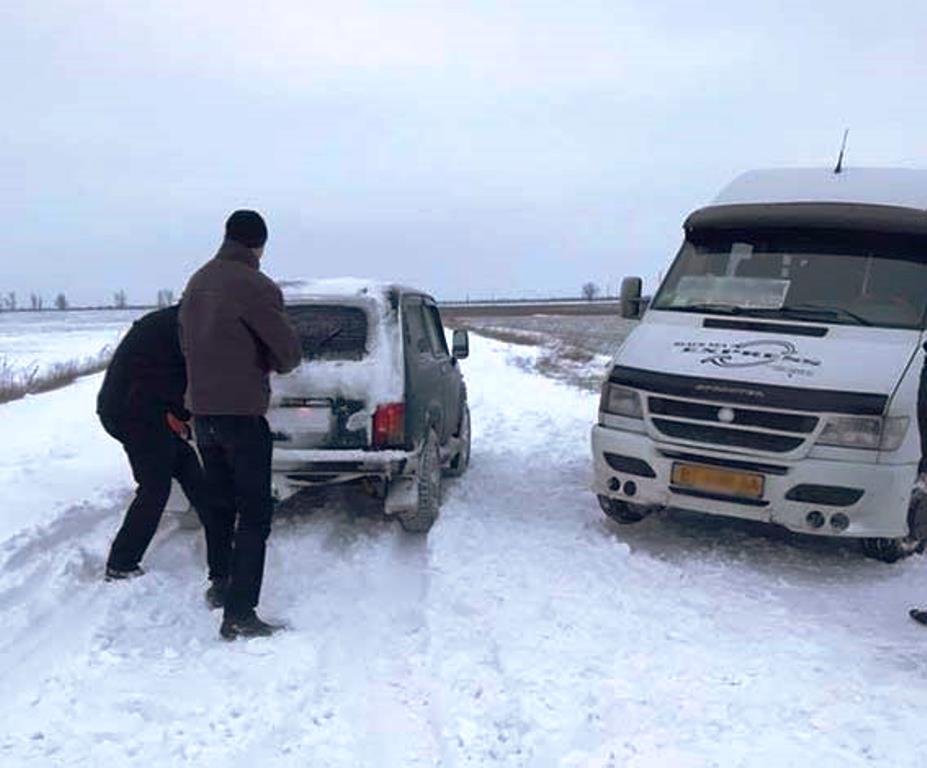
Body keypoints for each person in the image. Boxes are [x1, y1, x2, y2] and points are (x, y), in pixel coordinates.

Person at [180, 210, 301, 640]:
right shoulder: (255, 285)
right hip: (241, 416)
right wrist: (265, 360)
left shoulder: (196, 282)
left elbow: (187, 344)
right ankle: (240, 614)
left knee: (221, 506)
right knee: (254, 516)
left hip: (204, 415)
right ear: (259, 245)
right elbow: (286, 353)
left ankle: (220, 584)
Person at [97, 303, 224, 588]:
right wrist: (177, 414)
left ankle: (220, 529)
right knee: (155, 487)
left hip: (141, 408)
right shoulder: (181, 329)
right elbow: (165, 379)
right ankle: (121, 563)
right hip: (132, 413)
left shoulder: (175, 322)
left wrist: (176, 413)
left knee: (189, 467)